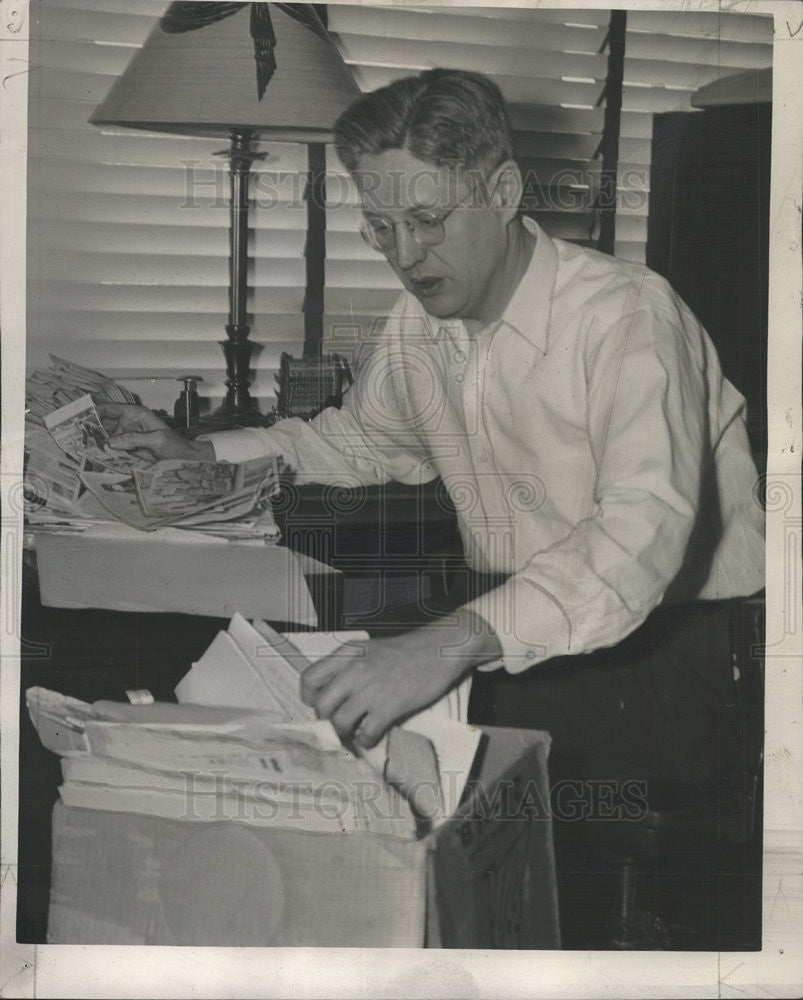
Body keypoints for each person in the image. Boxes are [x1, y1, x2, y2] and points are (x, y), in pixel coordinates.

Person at [101, 69, 764, 794]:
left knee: (415, 782)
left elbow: (638, 540)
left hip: (669, 654)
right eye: (381, 229)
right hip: (511, 627)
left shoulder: (628, 317)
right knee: (310, 728)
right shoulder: (420, 322)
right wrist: (202, 451)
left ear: (503, 193)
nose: (405, 257)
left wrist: (442, 646)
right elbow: (357, 441)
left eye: (426, 220)